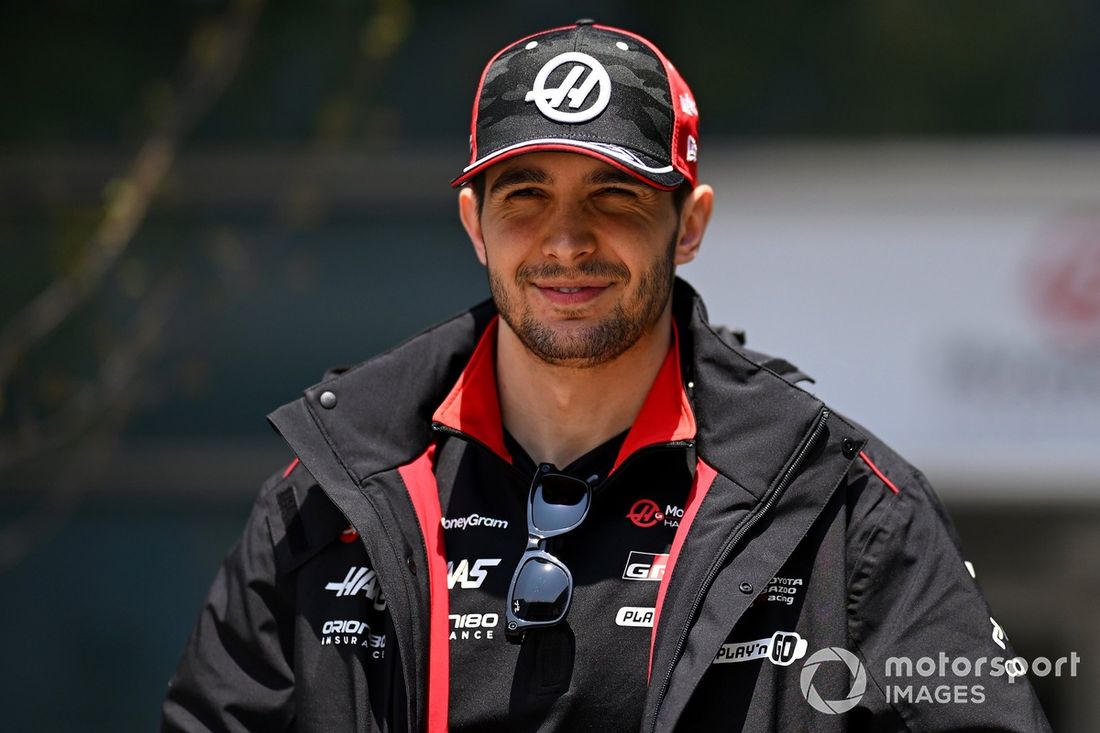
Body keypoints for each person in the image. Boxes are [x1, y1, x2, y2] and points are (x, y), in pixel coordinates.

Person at [163, 21, 1052, 732]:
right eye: (525, 197)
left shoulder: (850, 509)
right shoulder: (327, 492)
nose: (565, 242)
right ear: (474, 224)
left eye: (614, 196)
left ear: (689, 223)